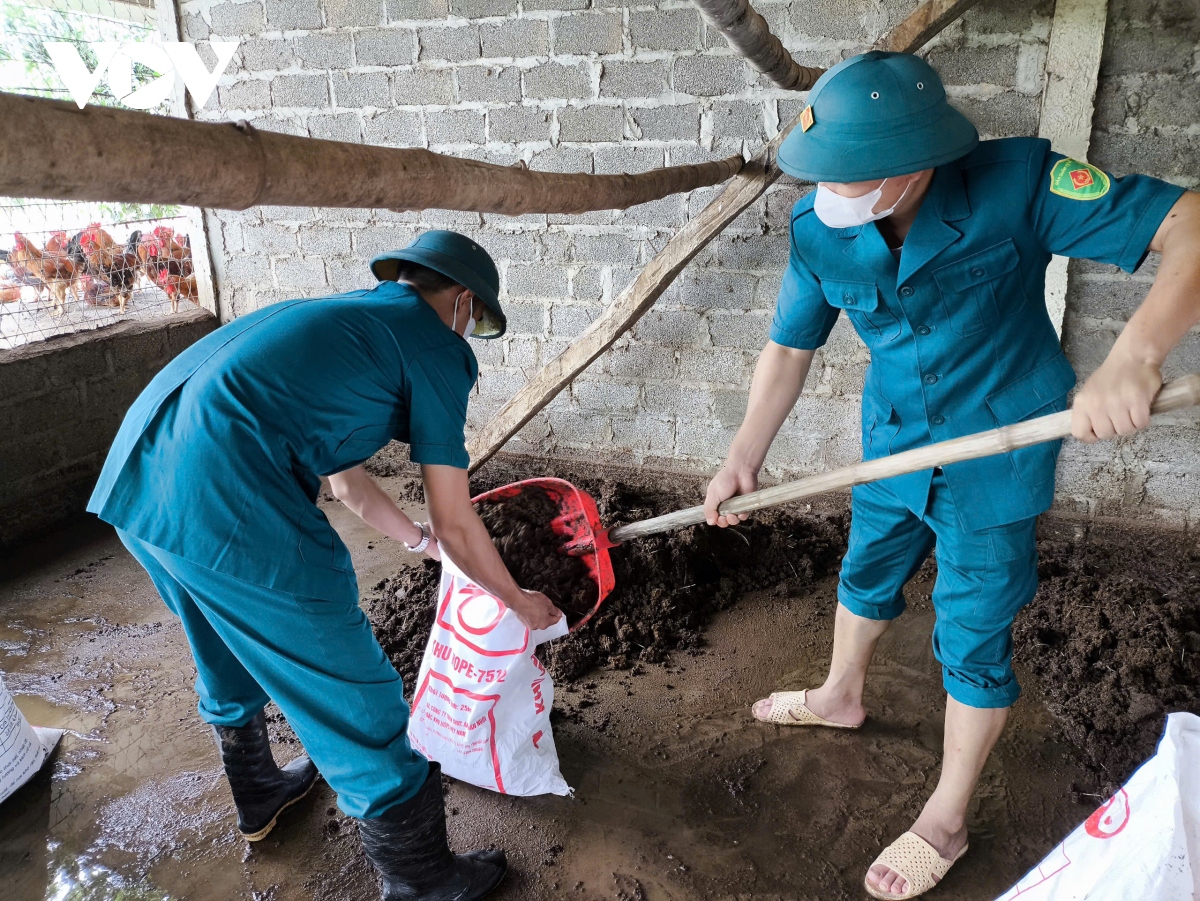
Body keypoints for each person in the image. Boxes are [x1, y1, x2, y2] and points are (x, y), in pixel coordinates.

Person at [703, 51, 1200, 900]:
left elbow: (1191, 222)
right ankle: (839, 692)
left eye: (855, 179)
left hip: (997, 452)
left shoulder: (1021, 184)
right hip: (892, 441)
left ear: (914, 164)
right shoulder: (822, 229)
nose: (836, 198)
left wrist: (1137, 354)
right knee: (866, 568)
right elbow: (788, 347)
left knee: (971, 628)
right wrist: (743, 454)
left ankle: (947, 813)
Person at [88, 230, 563, 901]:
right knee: (342, 674)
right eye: (477, 319)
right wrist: (517, 599)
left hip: (140, 477)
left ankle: (258, 795)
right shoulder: (435, 348)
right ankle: (422, 879)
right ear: (459, 300)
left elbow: (349, 483)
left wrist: (419, 542)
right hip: (223, 486)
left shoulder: (343, 323)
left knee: (223, 637)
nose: (471, 331)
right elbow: (457, 515)